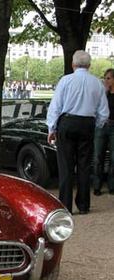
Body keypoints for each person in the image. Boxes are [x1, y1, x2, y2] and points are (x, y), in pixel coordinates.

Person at [47, 50, 109, 215]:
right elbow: (103, 111)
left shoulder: (66, 81)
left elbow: (56, 106)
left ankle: (65, 205)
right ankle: (83, 204)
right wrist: (97, 124)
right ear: (89, 65)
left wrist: (51, 128)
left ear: (73, 64)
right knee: (84, 165)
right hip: (87, 124)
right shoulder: (97, 83)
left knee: (66, 166)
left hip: (67, 122)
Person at [93, 68, 114, 196]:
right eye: (105, 78)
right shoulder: (102, 94)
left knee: (113, 158)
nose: (105, 81)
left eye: (108, 78)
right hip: (101, 126)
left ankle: (112, 185)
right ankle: (97, 186)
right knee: (97, 157)